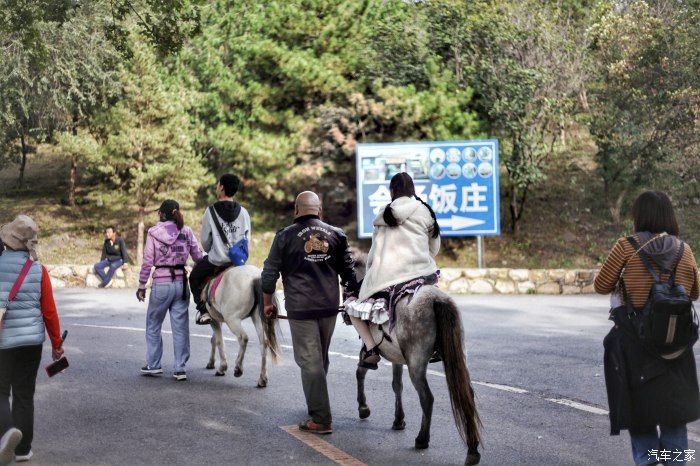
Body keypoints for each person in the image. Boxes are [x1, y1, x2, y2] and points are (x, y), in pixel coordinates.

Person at [594, 191, 700, 466]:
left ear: (639, 216)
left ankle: (648, 461)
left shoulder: (626, 247)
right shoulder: (684, 249)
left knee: (640, 415)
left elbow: (601, 286)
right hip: (676, 347)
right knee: (674, 417)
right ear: (669, 216)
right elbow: (696, 292)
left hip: (636, 345)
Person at [261, 191, 358, 434]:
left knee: (309, 360)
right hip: (328, 307)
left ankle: (321, 418)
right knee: (319, 357)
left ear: (296, 210)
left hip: (301, 308)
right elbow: (349, 272)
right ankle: (317, 404)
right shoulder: (336, 235)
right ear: (320, 210)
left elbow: (269, 274)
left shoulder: (284, 236)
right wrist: (351, 297)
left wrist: (267, 303)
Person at [344, 172, 441, 369]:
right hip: (421, 275)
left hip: (387, 277)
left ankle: (370, 349)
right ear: (413, 190)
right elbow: (434, 249)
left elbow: (373, 253)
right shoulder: (425, 211)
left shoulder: (384, 212)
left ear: (392, 191)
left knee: (352, 306)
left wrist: (370, 273)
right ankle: (439, 343)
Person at [0, 215, 64, 465]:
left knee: (0, 390)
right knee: (25, 394)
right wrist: (57, 344)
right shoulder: (38, 269)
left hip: (3, 342)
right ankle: (23, 449)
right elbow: (49, 311)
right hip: (31, 342)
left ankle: (6, 432)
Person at [136, 200, 202, 381]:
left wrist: (142, 285)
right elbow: (198, 256)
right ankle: (180, 368)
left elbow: (148, 261)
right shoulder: (186, 231)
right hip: (181, 284)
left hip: (161, 284)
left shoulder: (154, 233)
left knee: (153, 324)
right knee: (180, 328)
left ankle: (154, 365)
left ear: (162, 214)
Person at [189, 174, 251, 325]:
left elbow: (205, 241)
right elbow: (246, 239)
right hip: (237, 262)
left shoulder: (210, 211)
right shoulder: (244, 212)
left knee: (194, 278)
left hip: (216, 261)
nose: (217, 187)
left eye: (218, 185)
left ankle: (203, 310)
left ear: (222, 187)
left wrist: (213, 249)